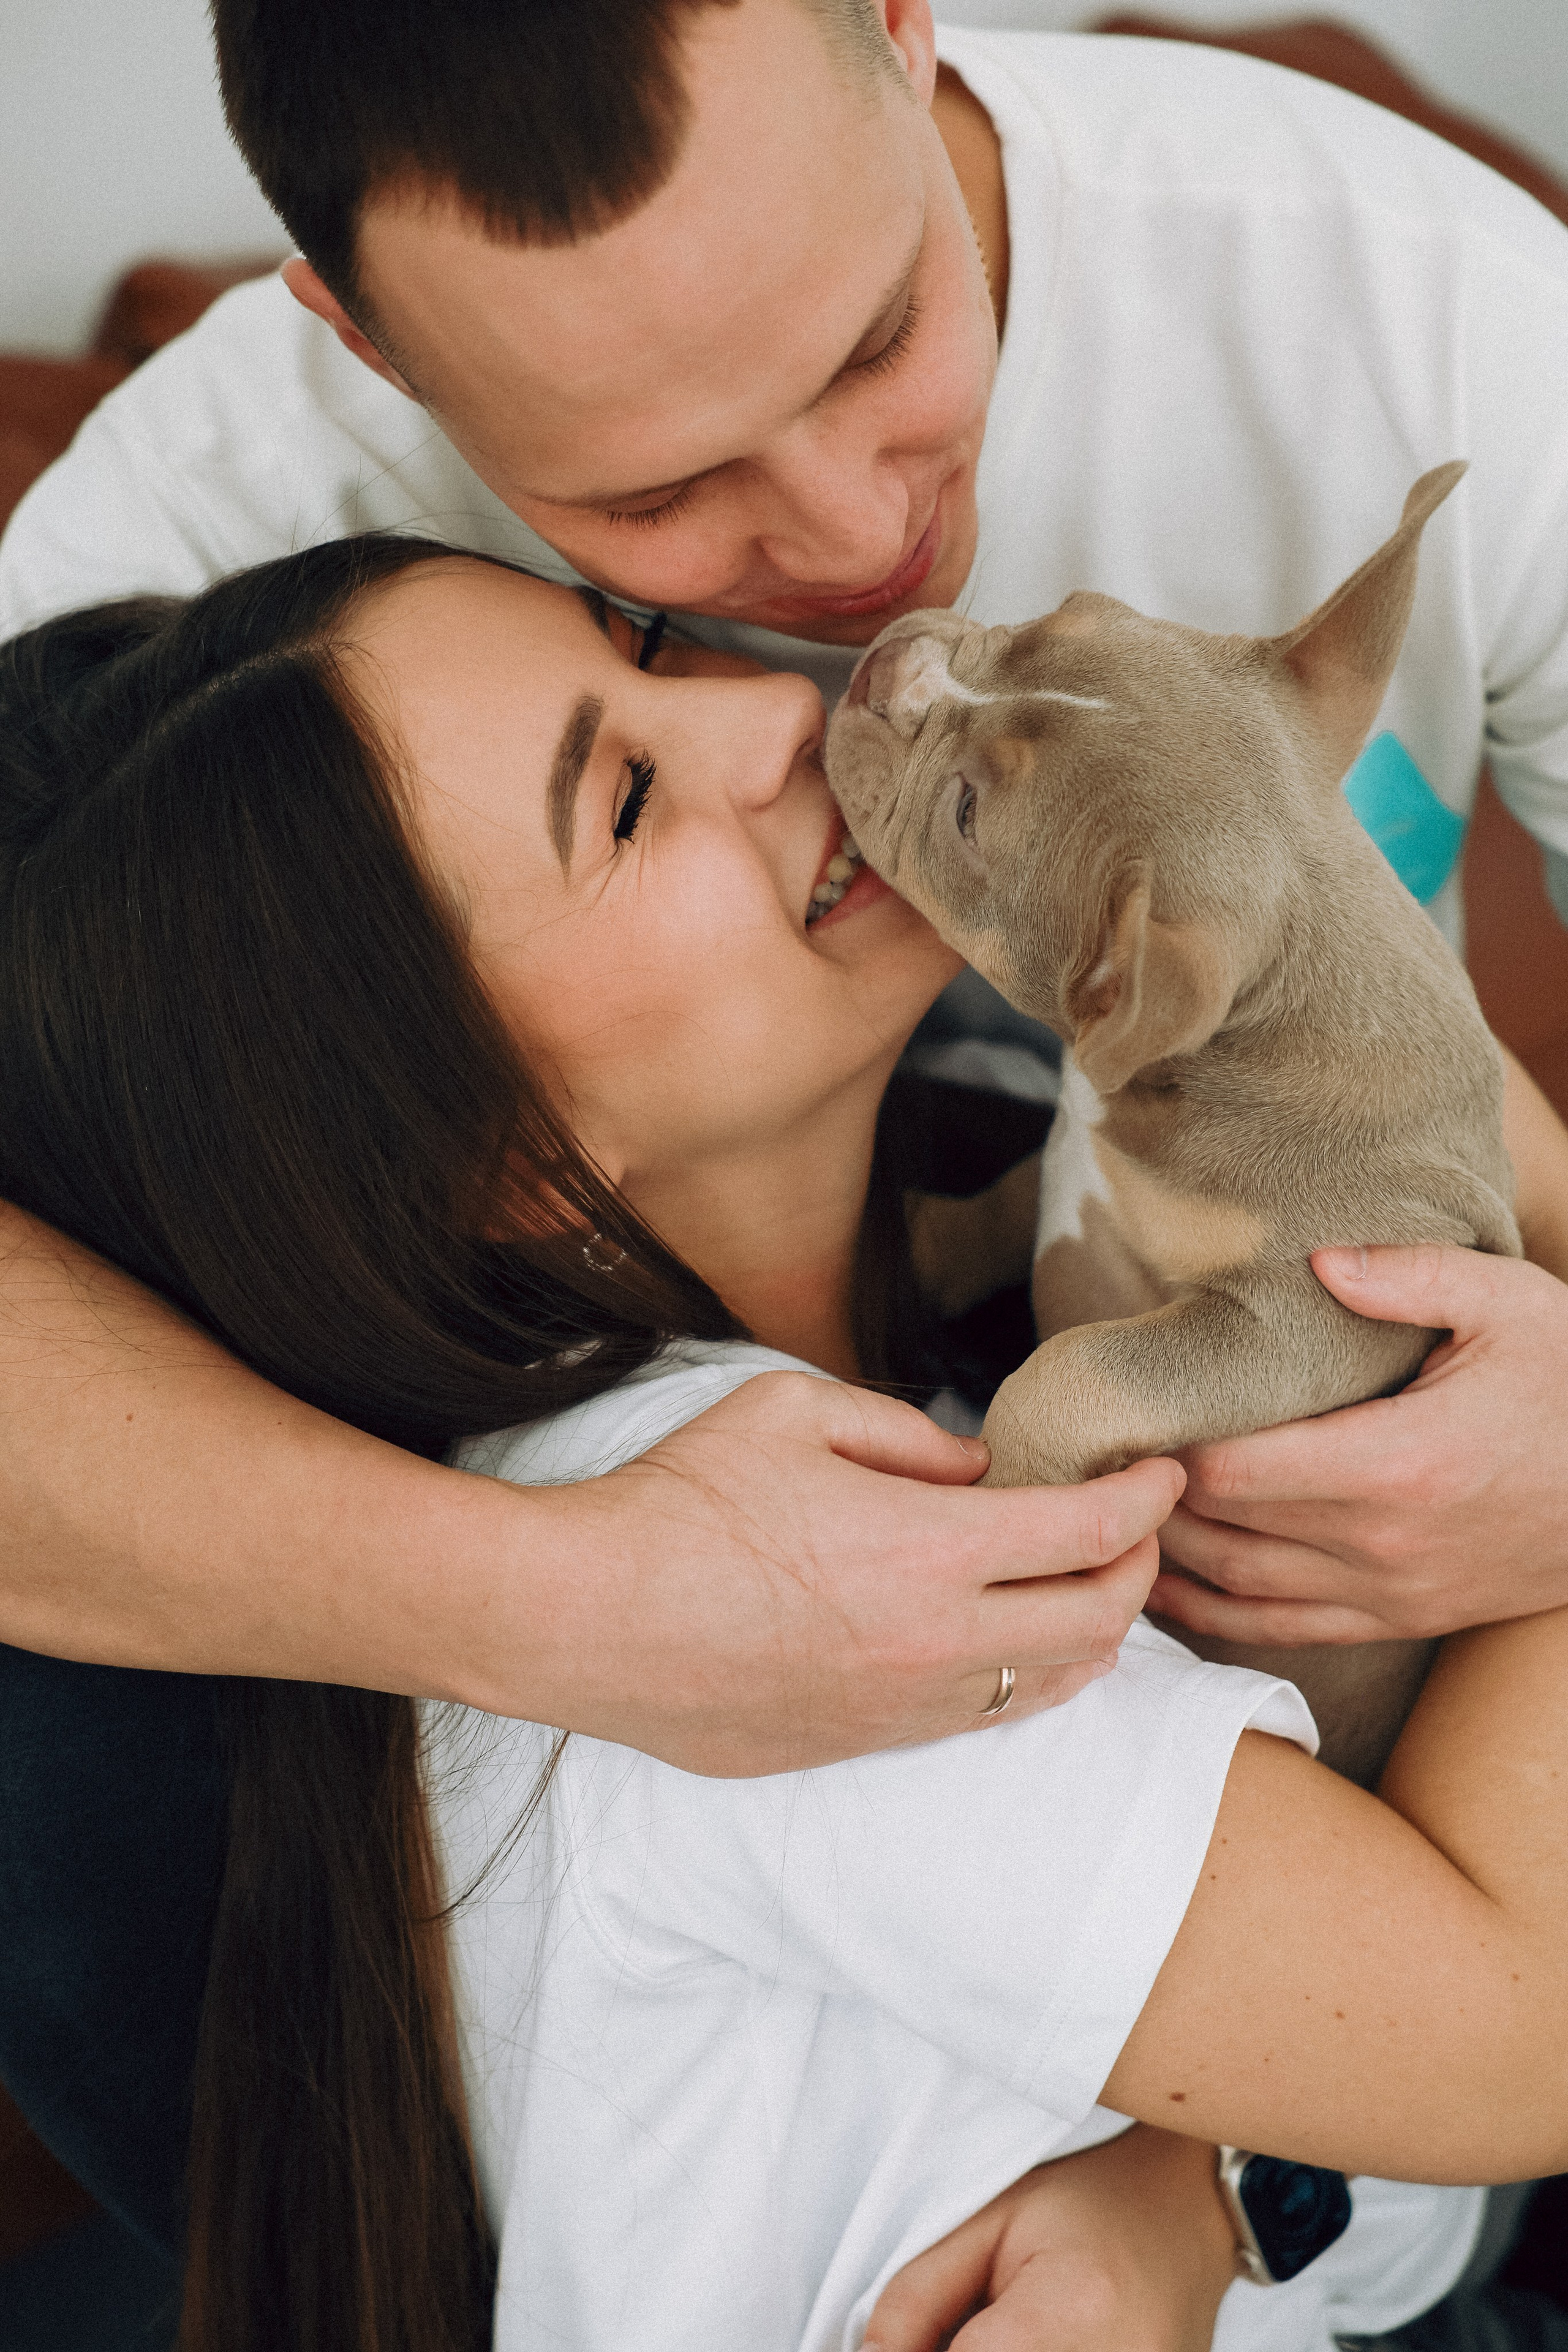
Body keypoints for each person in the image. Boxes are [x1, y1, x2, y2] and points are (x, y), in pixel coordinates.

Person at [4, 0, 1568, 2325]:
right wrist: (592, 1622)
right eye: (647, 521)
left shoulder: (1426, 312)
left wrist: (1217, 2187)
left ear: (911, 31)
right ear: (359, 338)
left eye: (885, 340)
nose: (833, 604)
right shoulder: (183, 614)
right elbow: (1500, 2040)